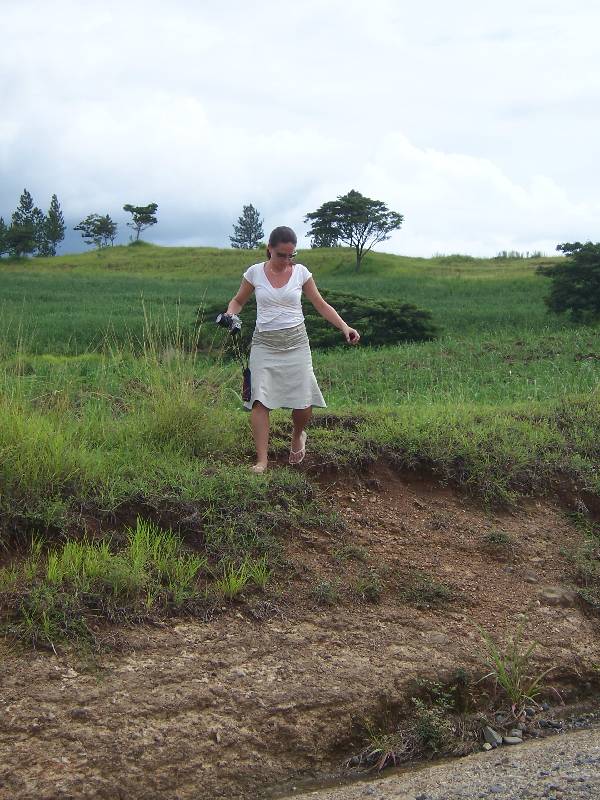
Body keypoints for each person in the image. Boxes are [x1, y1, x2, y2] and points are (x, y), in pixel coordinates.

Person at [223, 225, 360, 474]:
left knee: (303, 401)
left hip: (297, 343)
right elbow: (238, 300)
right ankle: (262, 460)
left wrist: (344, 326)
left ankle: (298, 435)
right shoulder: (254, 272)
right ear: (269, 249)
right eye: (281, 255)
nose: (287, 260)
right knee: (259, 400)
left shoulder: (301, 273)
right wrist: (230, 315)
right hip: (264, 343)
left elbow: (320, 304)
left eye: (291, 255)